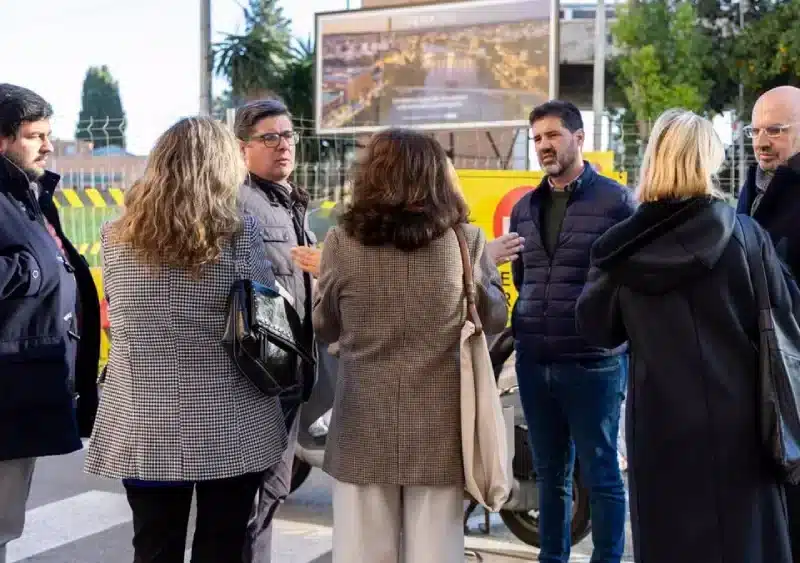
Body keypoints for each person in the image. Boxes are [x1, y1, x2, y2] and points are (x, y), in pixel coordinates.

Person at [577, 108, 793, 563]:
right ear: (709, 159)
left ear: (654, 158)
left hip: (660, 425)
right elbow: (783, 321)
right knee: (745, 543)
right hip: (742, 422)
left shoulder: (621, 247)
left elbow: (597, 328)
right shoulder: (747, 236)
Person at [84, 116, 287, 562]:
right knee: (222, 544)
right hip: (230, 419)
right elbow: (266, 316)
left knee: (153, 545)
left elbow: (119, 310)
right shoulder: (241, 233)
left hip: (143, 418)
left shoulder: (114, 236)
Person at [313, 128, 508, 563]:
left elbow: (324, 327)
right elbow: (495, 318)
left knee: (361, 553)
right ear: (437, 175)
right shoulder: (466, 241)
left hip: (363, 424)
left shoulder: (342, 243)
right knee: (436, 552)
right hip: (440, 426)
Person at [509, 100, 634, 563]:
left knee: (601, 474)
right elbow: (523, 277)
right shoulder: (524, 208)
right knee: (550, 476)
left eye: (552, 135)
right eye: (537, 138)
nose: (543, 145)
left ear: (579, 138)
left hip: (593, 363)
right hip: (534, 360)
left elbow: (629, 281)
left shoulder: (617, 202)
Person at [0, 84, 100, 562]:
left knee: (5, 522)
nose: (47, 146)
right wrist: (37, 267)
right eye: (34, 135)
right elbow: (30, 265)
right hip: (6, 392)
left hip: (25, 387)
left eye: (48, 134)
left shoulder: (26, 192)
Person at [234, 99, 317, 563]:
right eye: (269, 137)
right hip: (260, 375)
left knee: (271, 494)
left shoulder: (288, 202)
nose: (283, 145)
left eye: (287, 135)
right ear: (242, 148)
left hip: (289, 373)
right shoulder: (240, 202)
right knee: (252, 502)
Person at [737, 85, 800, 562]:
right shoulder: (752, 187)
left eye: (775, 130)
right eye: (755, 130)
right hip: (759, 368)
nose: (762, 141)